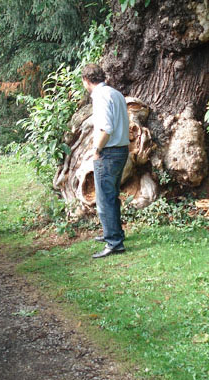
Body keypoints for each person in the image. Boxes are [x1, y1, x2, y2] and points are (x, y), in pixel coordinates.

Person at [81, 63, 130, 259]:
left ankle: (114, 242)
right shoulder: (115, 93)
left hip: (108, 152)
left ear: (86, 81)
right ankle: (114, 233)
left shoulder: (100, 97)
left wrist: (96, 150)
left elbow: (105, 128)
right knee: (112, 195)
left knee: (104, 198)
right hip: (122, 149)